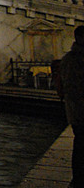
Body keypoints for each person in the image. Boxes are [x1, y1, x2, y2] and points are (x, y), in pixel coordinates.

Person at [60, 25, 84, 187]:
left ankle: (78, 179)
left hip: (75, 110)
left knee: (80, 144)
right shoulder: (74, 59)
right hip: (79, 109)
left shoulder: (68, 58)